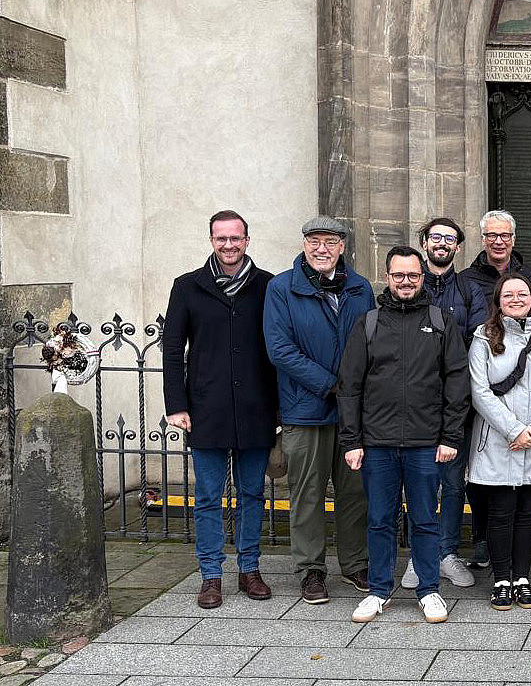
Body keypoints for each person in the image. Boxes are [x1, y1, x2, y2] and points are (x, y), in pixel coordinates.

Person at [337, 246, 470, 624]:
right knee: (379, 519)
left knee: (425, 520)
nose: (406, 281)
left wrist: (450, 437)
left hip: (426, 443)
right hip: (376, 444)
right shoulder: (369, 323)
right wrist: (352, 441)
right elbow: (350, 387)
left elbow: (457, 384)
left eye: (413, 275)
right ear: (388, 277)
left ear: (422, 276)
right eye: (399, 275)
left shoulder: (442, 321)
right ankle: (379, 591)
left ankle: (429, 590)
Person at [162, 210, 279, 609]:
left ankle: (250, 570)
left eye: (236, 238)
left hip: (256, 407)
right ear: (211, 240)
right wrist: (176, 405)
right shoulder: (187, 286)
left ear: (247, 240)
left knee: (251, 494)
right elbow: (173, 349)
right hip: (205, 407)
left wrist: (279, 408)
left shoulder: (268, 286)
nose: (229, 245)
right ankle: (210, 575)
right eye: (221, 239)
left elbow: (277, 348)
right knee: (209, 496)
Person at [264, 216, 374, 604]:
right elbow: (280, 350)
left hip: (352, 413)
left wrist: (354, 389)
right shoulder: (282, 288)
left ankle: (356, 563)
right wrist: (331, 384)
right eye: (314, 241)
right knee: (307, 494)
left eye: (329, 241)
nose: (321, 249)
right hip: (304, 410)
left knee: (354, 492)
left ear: (342, 246)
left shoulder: (360, 289)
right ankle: (310, 569)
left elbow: (371, 342)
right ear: (304, 245)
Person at [468, 273, 531, 611]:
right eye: (508, 294)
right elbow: (479, 391)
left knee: (528, 512)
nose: (515, 299)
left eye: (521, 294)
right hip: (498, 439)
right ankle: (501, 580)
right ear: (497, 301)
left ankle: (522, 578)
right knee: (501, 512)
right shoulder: (482, 337)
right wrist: (514, 430)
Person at [401, 216, 484, 592]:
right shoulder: (409, 286)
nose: (441, 244)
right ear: (424, 241)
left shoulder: (470, 290)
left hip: (456, 403)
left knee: (453, 483)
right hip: (415, 405)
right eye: (435, 237)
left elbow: (479, 341)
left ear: (457, 246)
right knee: (419, 483)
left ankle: (448, 552)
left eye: (449, 239)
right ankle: (420, 556)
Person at [458, 209, 531, 570]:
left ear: (513, 238)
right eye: (491, 235)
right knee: (481, 479)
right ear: (483, 238)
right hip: (484, 391)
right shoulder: (465, 279)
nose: (498, 241)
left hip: (530, 401)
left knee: (529, 482)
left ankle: (528, 544)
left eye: (504, 235)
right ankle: (482, 540)